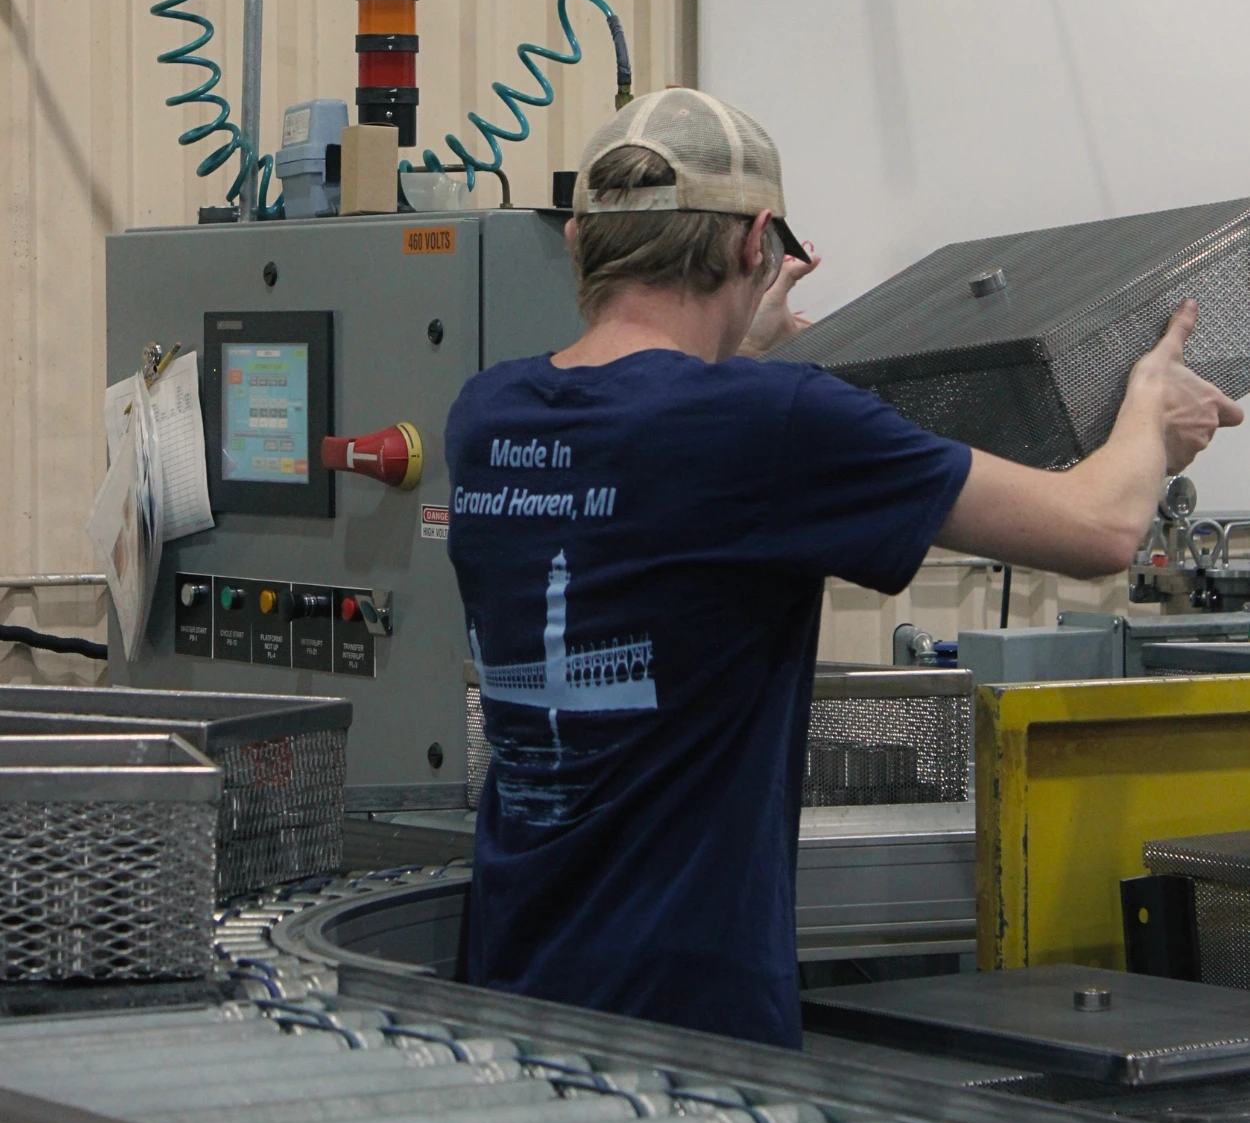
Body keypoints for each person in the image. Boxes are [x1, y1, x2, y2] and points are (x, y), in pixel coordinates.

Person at [445, 88, 1242, 1049]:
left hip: (505, 996)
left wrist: (739, 343)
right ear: (755, 246)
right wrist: (1151, 410)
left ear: (578, 241)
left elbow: (644, 440)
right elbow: (1103, 526)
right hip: (684, 1028)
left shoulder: (488, 416)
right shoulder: (771, 421)